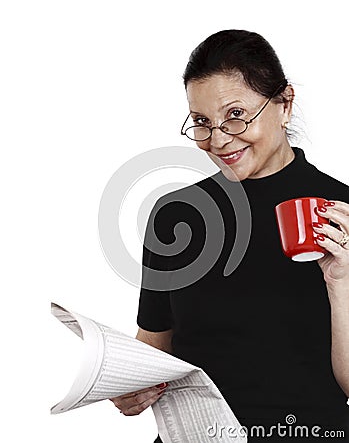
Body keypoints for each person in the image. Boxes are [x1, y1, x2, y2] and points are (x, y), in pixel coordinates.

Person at [110, 30, 349, 442]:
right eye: (202, 122)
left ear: (285, 104)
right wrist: (131, 384)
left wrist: (341, 281)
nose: (218, 141)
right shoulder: (177, 215)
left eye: (236, 114)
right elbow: (155, 346)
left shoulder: (342, 214)